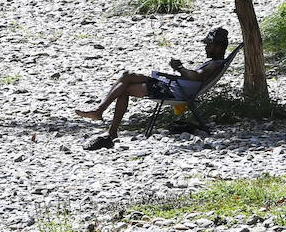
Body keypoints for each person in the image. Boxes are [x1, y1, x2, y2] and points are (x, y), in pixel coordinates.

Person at [75, 27, 231, 148]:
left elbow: (196, 76)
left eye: (208, 45)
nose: (206, 48)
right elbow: (195, 78)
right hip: (174, 86)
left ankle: (103, 117)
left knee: (126, 82)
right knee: (126, 79)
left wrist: (180, 68)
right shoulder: (214, 63)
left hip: (173, 91)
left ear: (218, 47)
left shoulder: (214, 64)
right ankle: (104, 120)